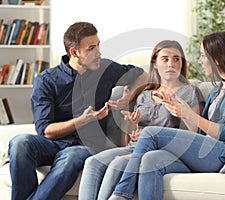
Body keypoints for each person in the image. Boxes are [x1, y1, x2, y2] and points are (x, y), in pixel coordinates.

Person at [108, 31, 225, 200]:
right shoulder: (216, 91)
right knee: (151, 160)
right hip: (206, 151)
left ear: (217, 59)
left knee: (150, 133)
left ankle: (121, 194)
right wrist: (182, 113)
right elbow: (201, 134)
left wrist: (190, 115)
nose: (200, 61)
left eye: (202, 56)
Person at [8, 21, 147, 200]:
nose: (99, 53)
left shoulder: (106, 69)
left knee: (71, 156)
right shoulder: (46, 80)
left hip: (87, 146)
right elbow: (45, 130)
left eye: (98, 46)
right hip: (53, 144)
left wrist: (130, 97)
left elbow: (142, 74)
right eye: (91, 48)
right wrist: (82, 120)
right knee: (20, 142)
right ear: (74, 52)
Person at [78, 40, 205, 200]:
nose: (171, 64)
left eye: (176, 59)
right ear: (155, 63)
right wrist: (131, 126)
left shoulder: (190, 92)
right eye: (165, 59)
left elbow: (196, 134)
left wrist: (182, 112)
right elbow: (131, 139)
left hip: (164, 152)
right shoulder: (145, 95)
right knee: (92, 162)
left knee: (117, 164)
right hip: (135, 148)